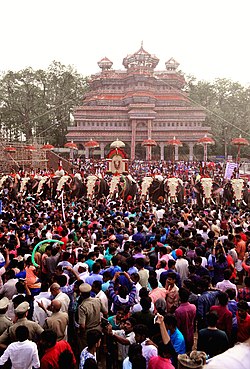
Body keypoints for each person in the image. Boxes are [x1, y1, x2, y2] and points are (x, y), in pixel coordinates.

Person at [175, 287, 196, 352]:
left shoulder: (178, 311)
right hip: (190, 334)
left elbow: (178, 326)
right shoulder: (193, 307)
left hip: (182, 336)